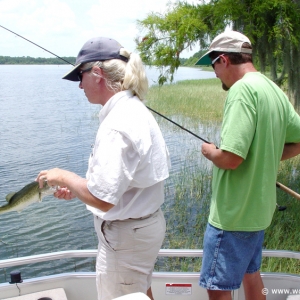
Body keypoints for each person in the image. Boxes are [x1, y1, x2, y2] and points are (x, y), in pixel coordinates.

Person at [36, 37, 170, 300]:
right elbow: (119, 184)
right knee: (140, 293)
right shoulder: (133, 109)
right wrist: (78, 188)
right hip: (140, 232)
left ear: (96, 74)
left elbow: (102, 199)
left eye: (80, 75)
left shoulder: (117, 123)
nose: (79, 85)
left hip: (126, 239)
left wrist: (64, 176)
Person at [195, 31, 300, 300]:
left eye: (213, 65)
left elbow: (229, 159)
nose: (215, 73)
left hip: (233, 215)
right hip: (258, 214)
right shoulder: (272, 89)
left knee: (217, 288)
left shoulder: (241, 91)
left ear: (223, 60)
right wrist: (264, 154)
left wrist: (209, 151)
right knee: (251, 274)